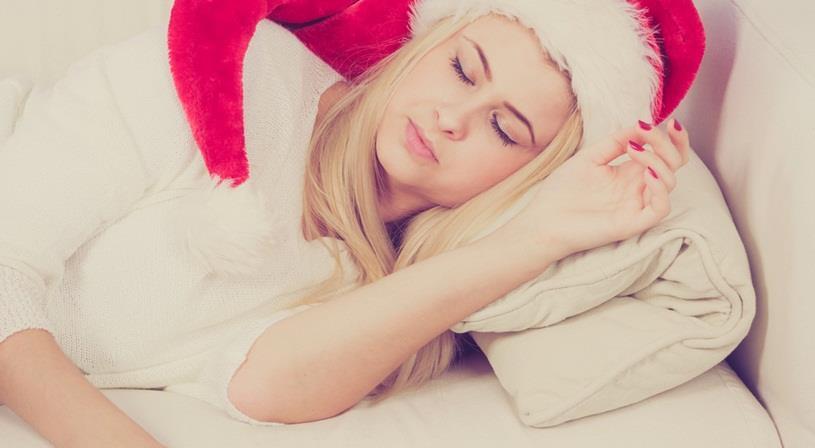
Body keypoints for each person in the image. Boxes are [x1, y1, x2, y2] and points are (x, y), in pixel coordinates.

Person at [0, 0, 702, 446]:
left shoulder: (396, 282)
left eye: (504, 128)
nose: (452, 119)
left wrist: (536, 237)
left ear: (528, 177)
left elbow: (263, 387)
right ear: (423, 45)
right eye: (462, 69)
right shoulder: (230, 80)